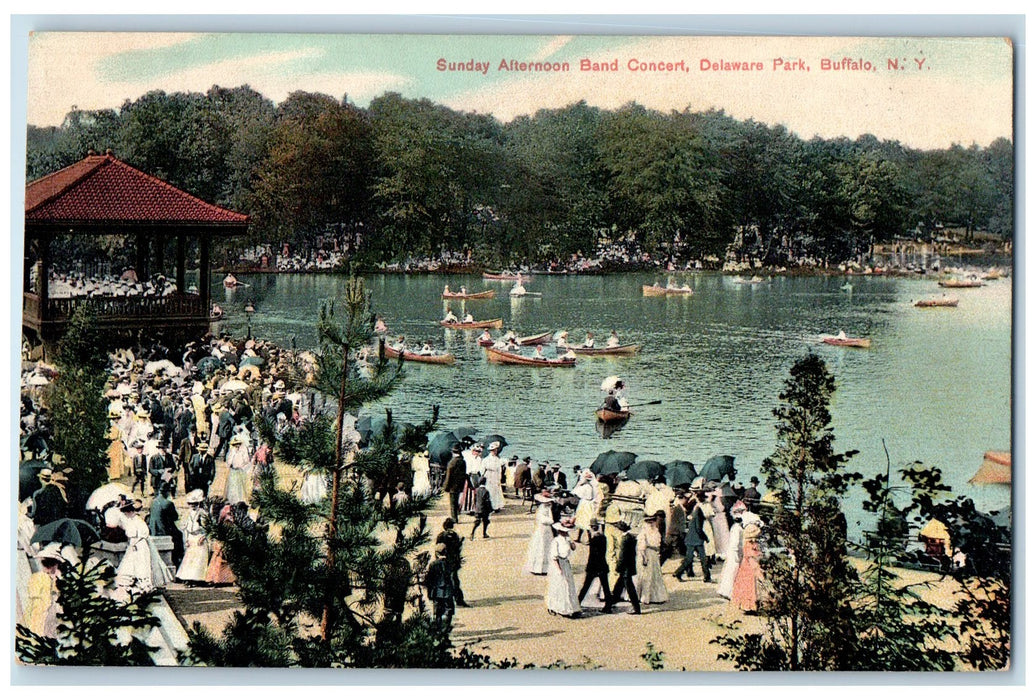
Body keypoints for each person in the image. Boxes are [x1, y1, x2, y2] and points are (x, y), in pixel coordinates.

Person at [113, 499, 155, 601]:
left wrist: (135, 543)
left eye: (126, 512)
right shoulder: (129, 521)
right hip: (133, 545)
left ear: (130, 511)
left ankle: (145, 586)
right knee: (130, 565)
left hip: (140, 545)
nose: (126, 515)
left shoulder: (138, 520)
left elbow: (144, 533)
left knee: (141, 565)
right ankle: (129, 584)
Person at [545, 521, 580, 617]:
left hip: (565, 563)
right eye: (565, 531)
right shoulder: (556, 541)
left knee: (569, 585)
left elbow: (573, 548)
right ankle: (556, 607)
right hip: (558, 564)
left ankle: (571, 607)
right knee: (560, 585)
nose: (566, 533)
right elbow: (554, 557)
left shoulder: (567, 539)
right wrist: (558, 569)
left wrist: (571, 541)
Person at [674, 492, 711, 582]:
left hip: (690, 538)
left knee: (689, 558)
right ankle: (707, 577)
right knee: (702, 558)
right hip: (697, 539)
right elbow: (698, 528)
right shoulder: (698, 511)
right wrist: (705, 537)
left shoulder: (694, 511)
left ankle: (678, 572)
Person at [578, 522, 615, 612]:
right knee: (605, 587)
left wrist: (588, 566)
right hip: (602, 565)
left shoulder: (594, 539)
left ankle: (577, 603)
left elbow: (592, 555)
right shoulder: (603, 537)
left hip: (594, 567)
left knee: (586, 586)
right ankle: (608, 606)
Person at [731, 513, 764, 613]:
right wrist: (757, 567)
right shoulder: (751, 545)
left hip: (745, 567)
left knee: (744, 586)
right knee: (750, 587)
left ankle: (746, 605)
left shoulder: (748, 543)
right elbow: (752, 557)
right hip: (750, 567)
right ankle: (749, 606)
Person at [176, 490, 210, 585]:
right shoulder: (188, 513)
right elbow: (185, 527)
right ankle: (189, 578)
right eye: (191, 504)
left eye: (195, 504)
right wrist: (186, 539)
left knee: (199, 559)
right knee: (190, 559)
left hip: (199, 537)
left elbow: (208, 527)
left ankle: (198, 579)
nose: (193, 506)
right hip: (191, 537)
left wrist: (203, 537)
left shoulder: (202, 513)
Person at [148, 483, 184, 569]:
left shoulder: (153, 502)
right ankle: (178, 561)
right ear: (167, 492)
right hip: (164, 531)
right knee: (179, 535)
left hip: (154, 530)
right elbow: (175, 517)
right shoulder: (168, 503)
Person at [435, 518, 469, 608]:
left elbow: (438, 550)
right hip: (452, 561)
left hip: (444, 561)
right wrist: (460, 542)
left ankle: (446, 600)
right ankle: (458, 600)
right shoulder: (454, 535)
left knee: (445, 581)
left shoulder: (440, 535)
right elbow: (457, 548)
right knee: (454, 581)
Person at [636, 514, 668, 604]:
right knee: (645, 575)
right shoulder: (643, 532)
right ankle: (644, 597)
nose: (650, 524)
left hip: (654, 555)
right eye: (648, 522)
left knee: (655, 575)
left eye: (652, 522)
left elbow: (658, 545)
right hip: (646, 554)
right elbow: (641, 547)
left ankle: (656, 597)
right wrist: (644, 557)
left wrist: (656, 550)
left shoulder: (656, 532)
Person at [611, 521, 642, 615]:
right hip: (629, 566)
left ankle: (636, 608)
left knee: (630, 588)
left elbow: (622, 556)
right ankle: (610, 603)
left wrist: (617, 568)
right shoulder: (631, 537)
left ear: (620, 530)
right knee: (618, 587)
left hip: (625, 568)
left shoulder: (624, 540)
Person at [718, 501, 747, 599]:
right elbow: (735, 544)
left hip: (732, 551)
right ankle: (728, 592)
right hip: (734, 552)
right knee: (733, 571)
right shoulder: (737, 529)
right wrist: (739, 554)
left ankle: (724, 590)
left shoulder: (735, 527)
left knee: (729, 571)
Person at [425, 543, 456, 625]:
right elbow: (453, 578)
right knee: (449, 611)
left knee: (438, 612)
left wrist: (429, 593)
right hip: (448, 591)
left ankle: (439, 632)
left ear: (436, 553)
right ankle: (446, 632)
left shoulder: (433, 564)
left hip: (437, 592)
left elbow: (429, 580)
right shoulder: (450, 563)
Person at [525, 493, 555, 575]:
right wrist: (551, 521)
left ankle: (546, 568)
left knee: (546, 547)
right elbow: (543, 519)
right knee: (541, 546)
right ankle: (537, 568)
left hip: (547, 530)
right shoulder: (542, 509)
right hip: (542, 529)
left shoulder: (547, 508)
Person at [443, 444, 467, 522]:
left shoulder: (452, 462)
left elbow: (448, 476)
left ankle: (454, 518)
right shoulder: (462, 461)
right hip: (459, 484)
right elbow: (464, 474)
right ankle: (457, 513)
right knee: (456, 500)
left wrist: (446, 486)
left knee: (453, 502)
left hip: (452, 485)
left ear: (453, 452)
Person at [481, 441, 506, 511]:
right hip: (488, 475)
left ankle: (495, 506)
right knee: (489, 490)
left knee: (496, 491)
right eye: (492, 450)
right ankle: (489, 506)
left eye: (495, 450)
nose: (494, 452)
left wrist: (499, 478)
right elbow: (482, 469)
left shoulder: (497, 459)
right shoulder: (486, 459)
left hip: (495, 476)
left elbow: (499, 470)